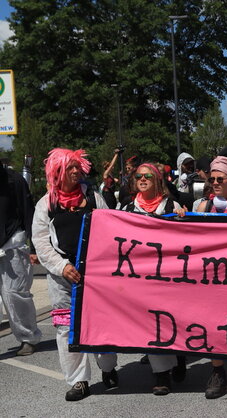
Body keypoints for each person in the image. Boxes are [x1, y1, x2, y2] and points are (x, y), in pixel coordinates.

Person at [31, 148, 116, 401]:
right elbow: (41, 242)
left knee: (102, 323)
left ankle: (109, 368)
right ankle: (79, 381)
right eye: (70, 167)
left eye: (77, 166)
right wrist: (62, 267)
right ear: (57, 172)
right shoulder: (45, 204)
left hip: (96, 274)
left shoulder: (93, 197)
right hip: (63, 277)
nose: (76, 171)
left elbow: (109, 228)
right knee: (66, 328)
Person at [177, 156, 227, 399]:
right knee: (212, 324)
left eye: (219, 179)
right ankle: (217, 372)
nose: (214, 183)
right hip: (211, 276)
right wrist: (183, 217)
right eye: (211, 179)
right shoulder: (203, 206)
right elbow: (192, 236)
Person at [119, 162, 185, 395]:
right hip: (138, 274)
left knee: (169, 319)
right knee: (152, 322)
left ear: (158, 180)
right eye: (139, 176)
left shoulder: (172, 205)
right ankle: (161, 374)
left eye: (148, 176)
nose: (143, 179)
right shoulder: (127, 208)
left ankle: (179, 356)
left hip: (167, 274)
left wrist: (181, 217)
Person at [0, 164, 42, 357]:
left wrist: (34, 247)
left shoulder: (14, 180)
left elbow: (28, 213)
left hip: (12, 242)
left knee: (14, 293)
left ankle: (28, 337)